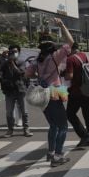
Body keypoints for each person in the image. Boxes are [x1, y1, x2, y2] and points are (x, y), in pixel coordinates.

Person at [26, 18, 74, 166]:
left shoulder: (36, 60)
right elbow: (71, 42)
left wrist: (40, 77)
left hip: (42, 94)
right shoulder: (54, 57)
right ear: (52, 48)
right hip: (55, 91)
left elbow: (27, 74)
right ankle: (58, 156)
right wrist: (62, 25)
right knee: (63, 126)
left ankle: (50, 152)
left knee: (53, 125)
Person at [65, 42, 89, 148]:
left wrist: (63, 74)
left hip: (76, 92)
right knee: (88, 115)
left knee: (70, 114)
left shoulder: (71, 59)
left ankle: (85, 135)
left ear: (70, 49)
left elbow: (69, 76)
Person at [0, 44, 32, 137]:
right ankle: (10, 130)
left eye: (15, 51)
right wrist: (4, 85)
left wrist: (13, 63)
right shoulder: (4, 64)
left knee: (24, 111)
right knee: (9, 111)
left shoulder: (21, 62)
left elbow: (20, 73)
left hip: (20, 89)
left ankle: (26, 129)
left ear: (19, 52)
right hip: (9, 91)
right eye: (11, 52)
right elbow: (0, 76)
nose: (13, 53)